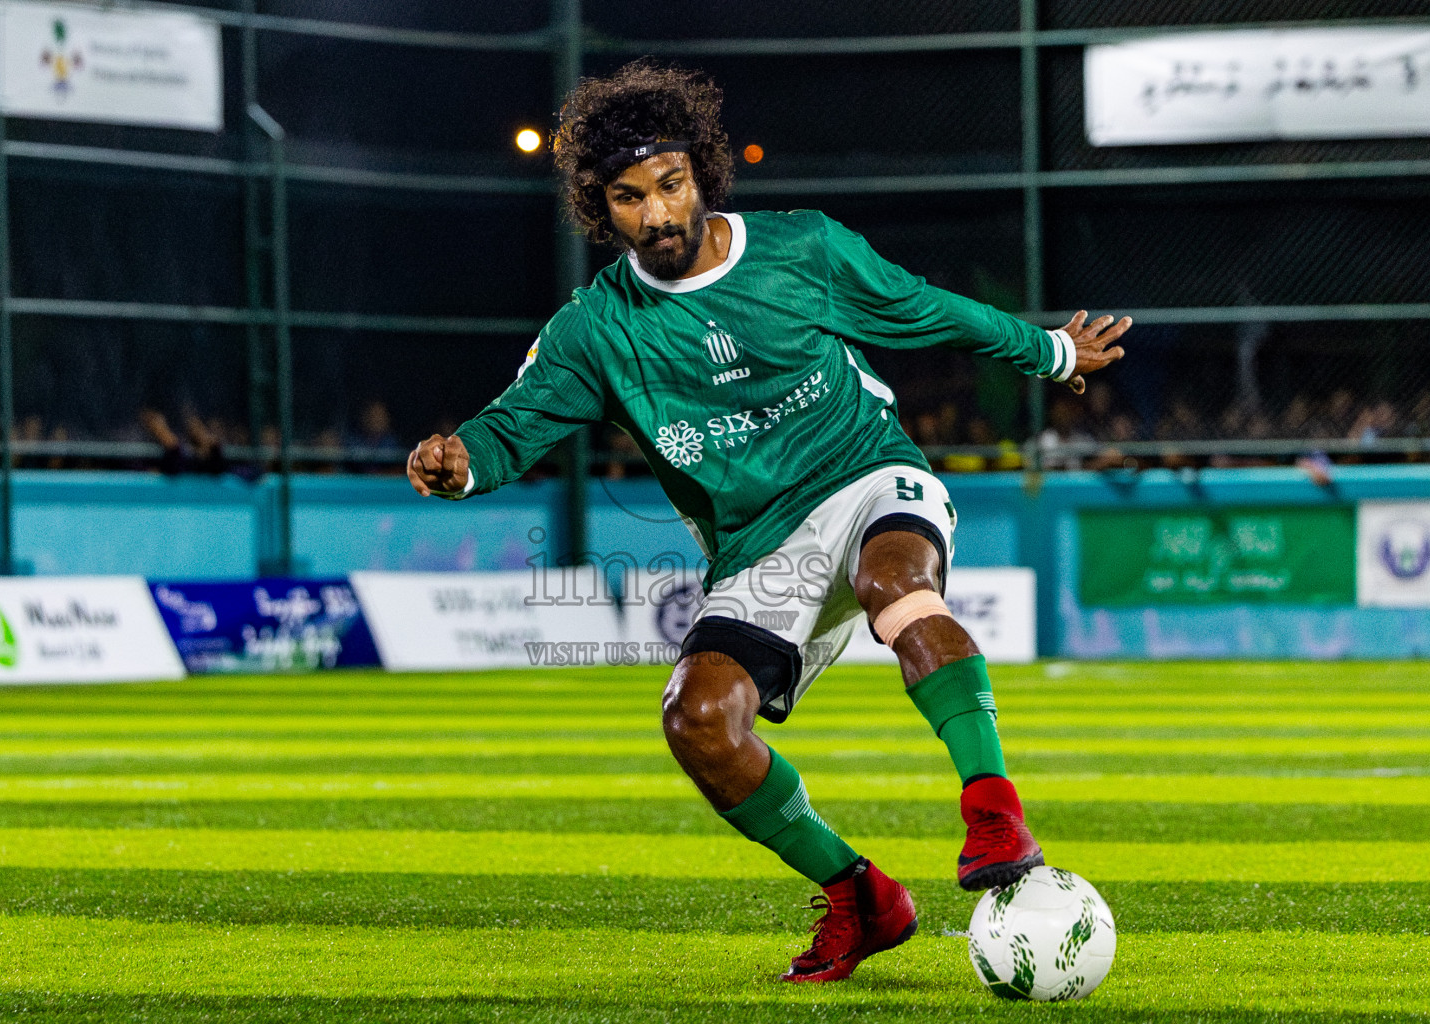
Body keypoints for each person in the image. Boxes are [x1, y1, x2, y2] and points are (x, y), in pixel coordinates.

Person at [406, 62, 1129, 983]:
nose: (659, 214)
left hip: (867, 476)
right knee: (697, 719)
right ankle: (860, 896)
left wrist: (1053, 350)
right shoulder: (596, 330)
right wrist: (459, 461)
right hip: (758, 549)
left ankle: (993, 812)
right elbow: (513, 424)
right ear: (601, 208)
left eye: (671, 185)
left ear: (703, 171)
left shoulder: (803, 251)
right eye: (630, 198)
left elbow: (924, 309)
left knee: (896, 587)